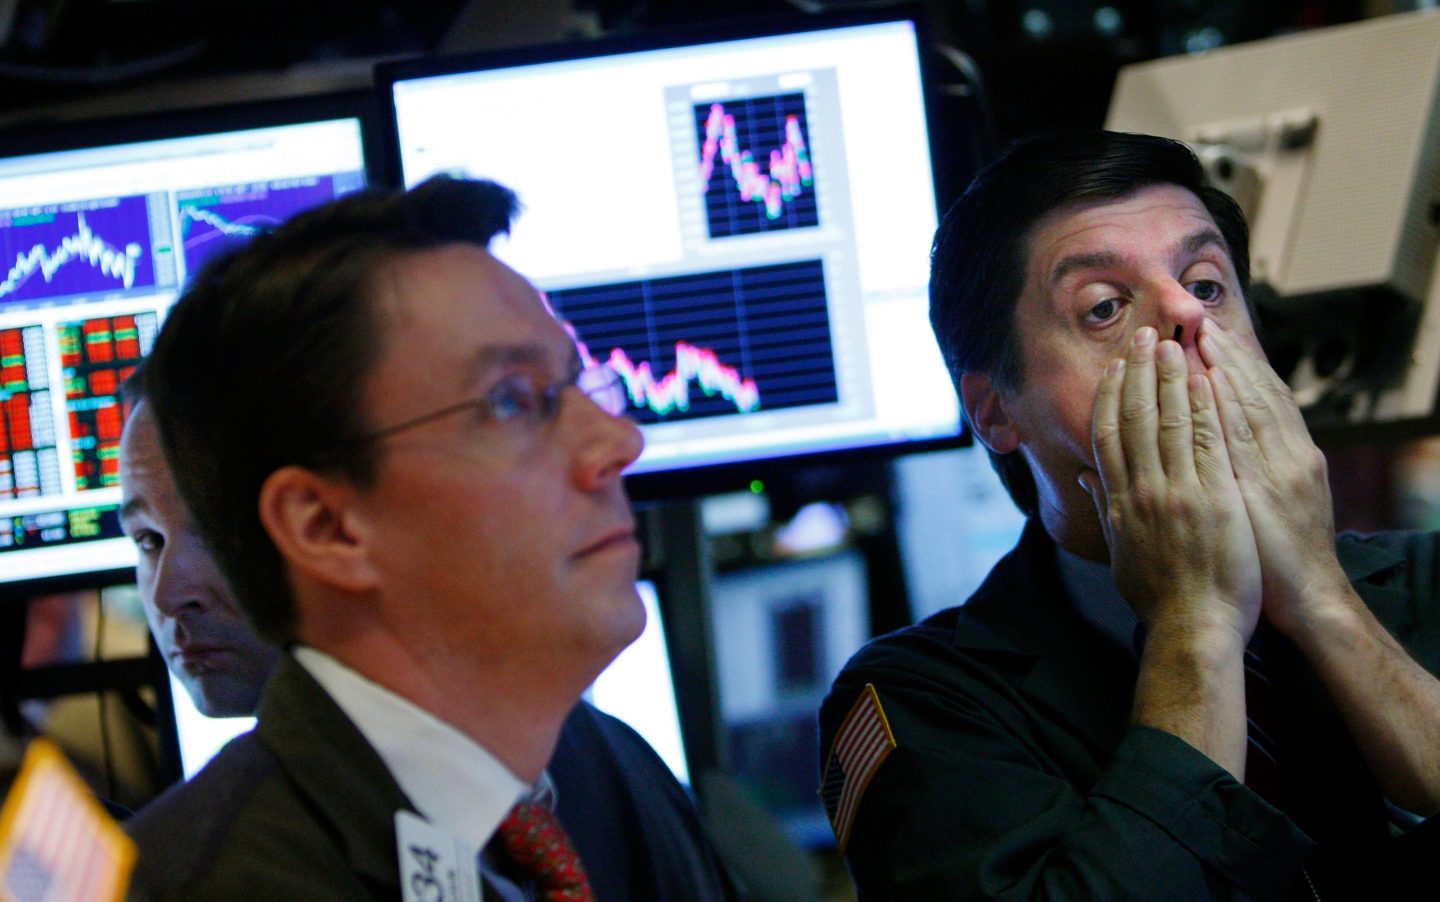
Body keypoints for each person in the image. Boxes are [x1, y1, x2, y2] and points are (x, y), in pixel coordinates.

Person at [819, 130, 1440, 899]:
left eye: (1207, 285)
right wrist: (1194, 624)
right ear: (995, 411)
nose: (1184, 313)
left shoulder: (1425, 578)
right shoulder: (926, 704)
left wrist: (1320, 594)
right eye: (1105, 308)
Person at [122, 176, 737, 900]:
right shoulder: (209, 887)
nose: (618, 442)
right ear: (326, 527)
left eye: (576, 383)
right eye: (511, 401)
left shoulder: (610, 772)